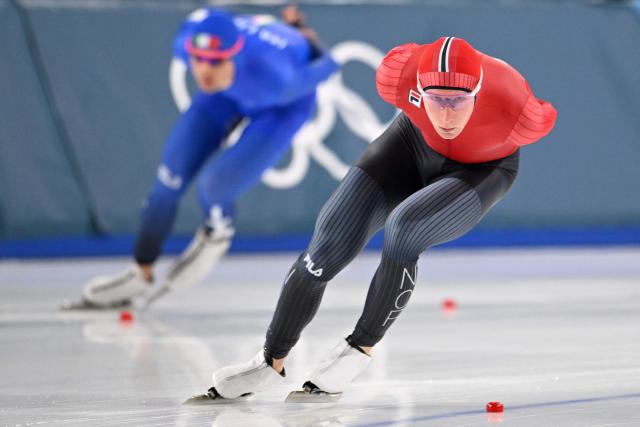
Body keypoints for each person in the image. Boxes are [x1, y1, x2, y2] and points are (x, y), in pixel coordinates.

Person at [192, 36, 558, 401]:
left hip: (483, 168)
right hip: (410, 147)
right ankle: (269, 361)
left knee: (405, 229)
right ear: (418, 91)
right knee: (326, 247)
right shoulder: (399, 76)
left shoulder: (516, 104)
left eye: (458, 102)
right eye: (436, 100)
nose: (446, 114)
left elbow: (543, 117)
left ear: (477, 94)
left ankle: (358, 350)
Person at [66, 6, 339, 309]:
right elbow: (208, 31)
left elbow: (329, 64)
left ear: (235, 55)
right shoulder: (189, 48)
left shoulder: (277, 74)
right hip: (224, 94)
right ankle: (139, 271)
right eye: (198, 60)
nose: (204, 72)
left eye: (215, 61)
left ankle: (216, 232)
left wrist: (307, 37)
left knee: (215, 187)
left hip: (281, 107)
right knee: (168, 180)